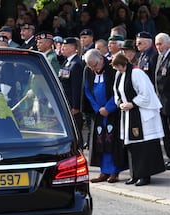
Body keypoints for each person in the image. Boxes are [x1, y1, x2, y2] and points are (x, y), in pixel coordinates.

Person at [112, 53, 165, 186]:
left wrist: (133, 103)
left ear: (123, 64)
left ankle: (145, 175)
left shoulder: (137, 73)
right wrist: (119, 103)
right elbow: (116, 92)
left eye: (119, 67)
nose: (118, 70)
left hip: (141, 115)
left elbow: (146, 94)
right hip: (128, 115)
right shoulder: (120, 74)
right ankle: (135, 174)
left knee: (142, 146)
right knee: (132, 146)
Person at [83, 49, 126, 183]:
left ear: (101, 60)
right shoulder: (88, 71)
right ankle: (103, 171)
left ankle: (114, 171)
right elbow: (87, 91)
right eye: (90, 66)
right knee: (100, 142)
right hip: (99, 113)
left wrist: (108, 108)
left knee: (112, 142)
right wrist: (97, 108)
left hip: (112, 111)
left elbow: (118, 90)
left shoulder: (112, 69)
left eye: (95, 65)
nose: (93, 69)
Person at [59, 37, 84, 148]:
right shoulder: (67, 62)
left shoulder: (76, 64)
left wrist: (76, 106)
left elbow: (76, 87)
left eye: (66, 46)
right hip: (66, 102)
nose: (63, 48)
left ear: (75, 48)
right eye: (63, 45)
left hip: (72, 105)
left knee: (75, 131)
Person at [154, 33, 170, 170]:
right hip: (162, 103)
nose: (158, 47)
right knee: (165, 133)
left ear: (168, 43)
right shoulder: (160, 57)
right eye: (157, 44)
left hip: (169, 102)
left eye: (161, 44)